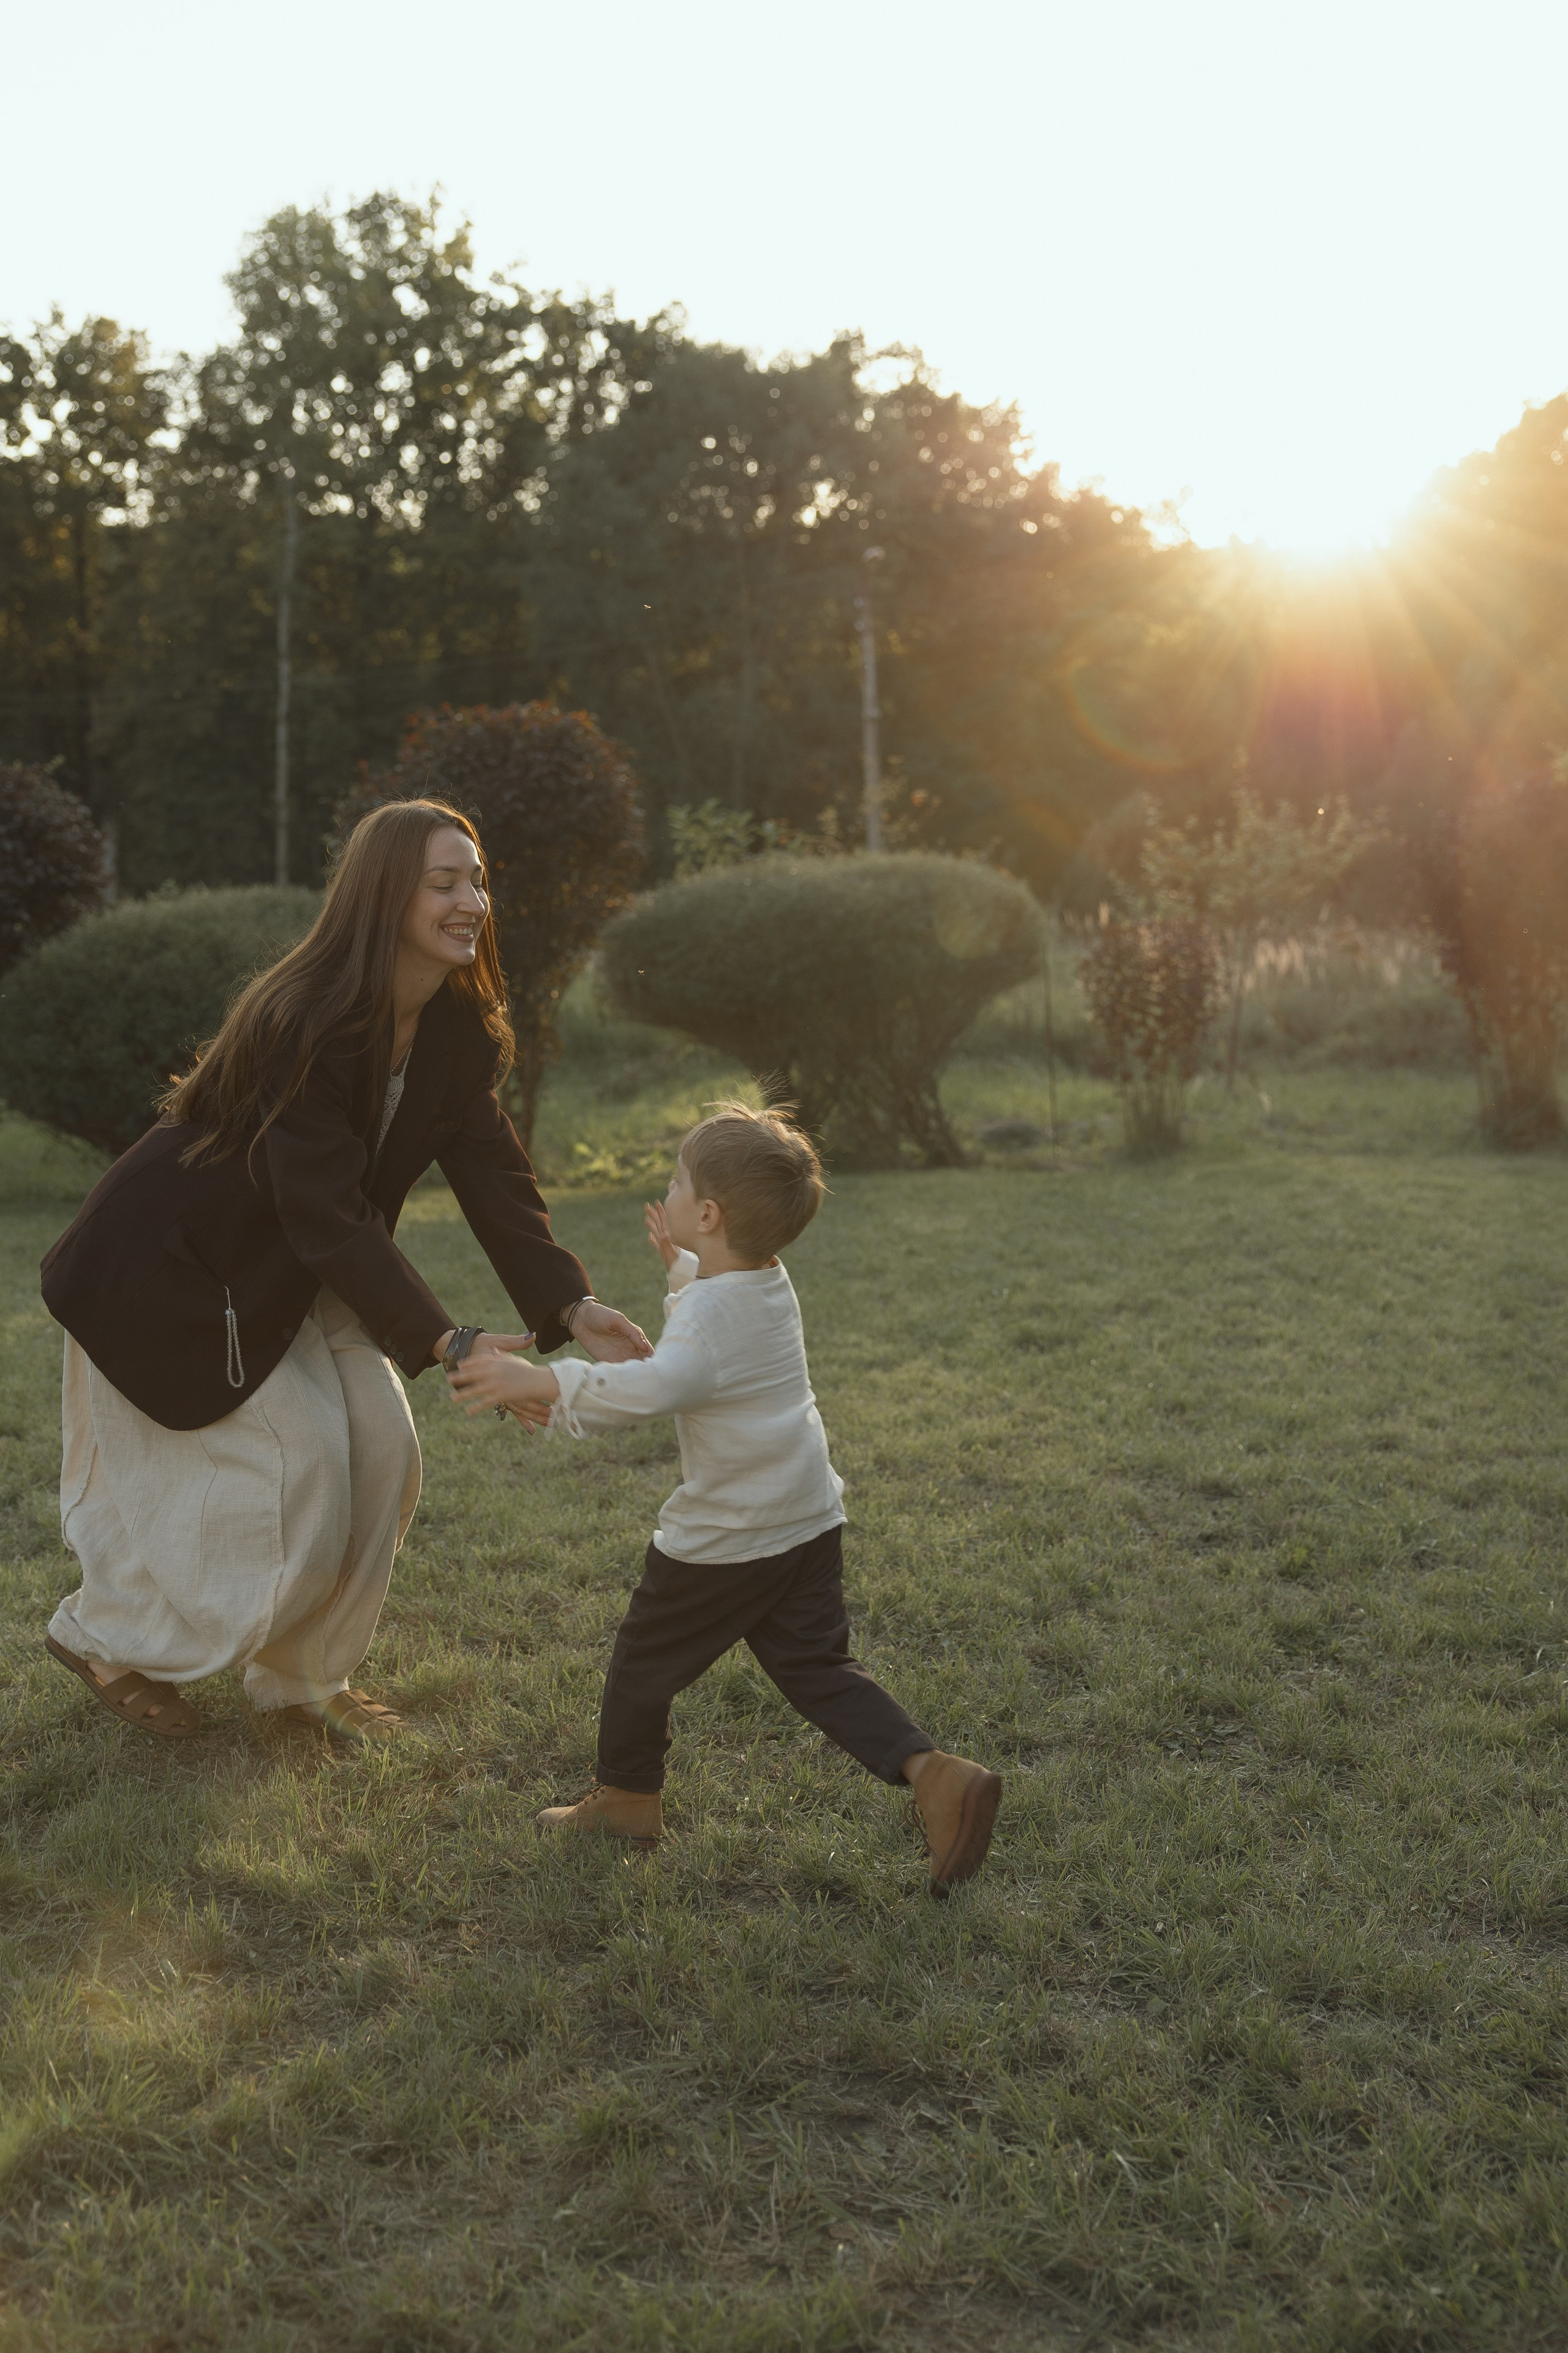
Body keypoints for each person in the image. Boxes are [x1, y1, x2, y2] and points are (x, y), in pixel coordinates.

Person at [41, 798, 651, 1745]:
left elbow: (492, 1172)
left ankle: (300, 1683)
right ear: (383, 896)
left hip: (305, 1265)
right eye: (444, 883)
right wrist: (448, 1340)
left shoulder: (455, 1029)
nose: (472, 901)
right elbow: (326, 1209)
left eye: (477, 879)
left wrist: (570, 1304)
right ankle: (99, 1635)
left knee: (386, 1450)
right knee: (308, 1462)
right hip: (182, 1268)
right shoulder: (303, 1019)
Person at [449, 1101, 1002, 1896]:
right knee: (818, 1668)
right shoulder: (768, 1282)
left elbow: (664, 1382)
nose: (667, 1188)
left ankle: (628, 1799)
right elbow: (717, 1323)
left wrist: (543, 1379)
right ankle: (935, 1774)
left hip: (730, 1533)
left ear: (708, 1213)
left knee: (643, 1659)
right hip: (807, 1517)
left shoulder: (710, 1319)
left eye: (677, 1180)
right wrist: (682, 1266)